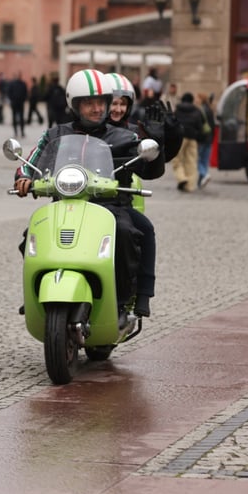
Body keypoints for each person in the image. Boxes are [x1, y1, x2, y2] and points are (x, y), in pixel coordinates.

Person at [14, 69, 166, 325]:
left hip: (112, 206)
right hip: (65, 204)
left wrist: (157, 144)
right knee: (32, 234)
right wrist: (23, 177)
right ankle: (37, 291)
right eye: (89, 103)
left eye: (101, 103)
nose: (97, 109)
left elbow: (150, 170)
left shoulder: (124, 137)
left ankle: (121, 301)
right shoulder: (55, 135)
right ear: (75, 105)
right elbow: (32, 160)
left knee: (127, 233)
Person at [103, 72, 169, 318]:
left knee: (144, 229)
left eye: (122, 104)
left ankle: (142, 292)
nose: (117, 109)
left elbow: (151, 169)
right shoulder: (81, 130)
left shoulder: (132, 134)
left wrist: (160, 141)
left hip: (117, 200)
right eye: (113, 103)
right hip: (79, 199)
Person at [172, 92, 204, 192]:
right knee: (191, 162)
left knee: (177, 160)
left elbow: (173, 124)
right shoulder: (197, 110)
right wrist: (198, 138)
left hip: (180, 138)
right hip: (192, 138)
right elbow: (200, 126)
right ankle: (189, 185)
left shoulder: (177, 110)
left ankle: (182, 178)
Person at [196, 92, 216, 189]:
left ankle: (204, 174)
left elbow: (199, 126)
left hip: (203, 138)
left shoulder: (201, 110)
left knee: (198, 160)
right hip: (209, 137)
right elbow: (212, 125)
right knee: (204, 160)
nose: (196, 100)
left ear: (201, 99)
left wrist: (198, 138)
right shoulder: (210, 109)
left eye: (197, 98)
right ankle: (201, 182)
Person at [7, 72, 28, 138]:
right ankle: (16, 132)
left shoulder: (22, 84)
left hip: (19, 103)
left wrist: (23, 99)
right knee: (15, 118)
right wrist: (12, 99)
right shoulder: (13, 84)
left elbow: (26, 93)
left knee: (21, 118)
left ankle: (21, 132)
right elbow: (9, 92)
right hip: (15, 103)